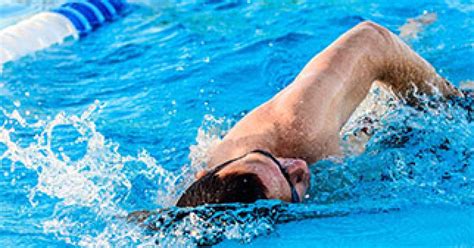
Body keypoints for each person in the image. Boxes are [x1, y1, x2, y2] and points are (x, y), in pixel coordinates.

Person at [176, 21, 467, 207]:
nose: (298, 166)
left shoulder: (299, 126)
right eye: (292, 183)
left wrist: (448, 99)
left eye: (268, 157)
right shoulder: (200, 203)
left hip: (353, 88)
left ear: (206, 173)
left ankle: (419, 31)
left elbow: (372, 38)